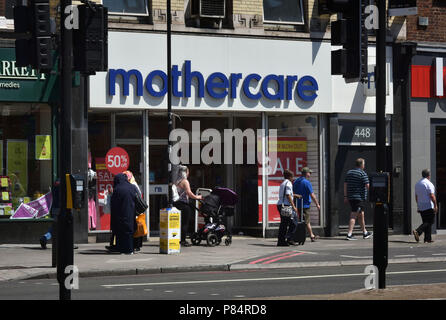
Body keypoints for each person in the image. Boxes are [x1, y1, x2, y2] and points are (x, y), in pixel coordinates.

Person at [173, 165, 203, 247]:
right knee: (184, 223)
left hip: (176, 203)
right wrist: (198, 197)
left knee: (178, 223)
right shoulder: (185, 181)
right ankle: (182, 240)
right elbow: (189, 193)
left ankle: (176, 238)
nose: (188, 173)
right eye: (188, 172)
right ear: (185, 172)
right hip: (183, 204)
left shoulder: (176, 181)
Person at [344, 158, 372, 241]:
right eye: (364, 164)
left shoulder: (349, 172)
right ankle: (349, 234)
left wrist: (345, 196)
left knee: (361, 214)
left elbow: (345, 185)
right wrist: (374, 194)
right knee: (353, 215)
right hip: (359, 198)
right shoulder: (362, 173)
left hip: (351, 197)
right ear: (361, 165)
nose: (364, 165)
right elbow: (368, 186)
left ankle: (365, 232)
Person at [110, 173, 139, 255]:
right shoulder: (132, 187)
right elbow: (137, 198)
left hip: (120, 213)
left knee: (120, 231)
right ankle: (130, 249)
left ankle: (122, 249)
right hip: (130, 212)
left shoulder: (117, 189)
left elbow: (114, 203)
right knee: (129, 231)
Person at [293, 167, 321, 242]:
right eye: (309, 173)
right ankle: (312, 235)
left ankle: (296, 235)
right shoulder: (306, 182)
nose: (310, 174)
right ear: (306, 173)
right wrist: (317, 204)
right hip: (305, 205)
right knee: (307, 221)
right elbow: (312, 195)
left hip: (296, 204)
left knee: (298, 220)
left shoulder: (296, 181)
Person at [413, 169, 437, 243]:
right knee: (430, 222)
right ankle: (418, 231)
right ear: (428, 175)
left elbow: (416, 196)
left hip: (421, 206)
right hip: (428, 206)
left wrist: (418, 205)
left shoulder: (418, 184)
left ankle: (427, 239)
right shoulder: (429, 183)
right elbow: (432, 196)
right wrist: (435, 205)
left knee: (426, 222)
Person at [123, 170, 144, 252]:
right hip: (135, 209)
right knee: (136, 226)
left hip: (136, 209)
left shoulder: (132, 184)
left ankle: (137, 245)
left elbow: (137, 197)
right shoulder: (132, 183)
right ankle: (136, 245)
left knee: (137, 227)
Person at [277, 169, 299, 246]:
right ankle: (289, 238)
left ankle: (281, 241)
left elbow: (288, 194)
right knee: (294, 222)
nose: (293, 178)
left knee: (284, 224)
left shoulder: (283, 183)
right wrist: (294, 206)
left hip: (280, 205)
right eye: (292, 177)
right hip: (286, 206)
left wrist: (295, 195)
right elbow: (288, 195)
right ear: (290, 177)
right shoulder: (289, 183)